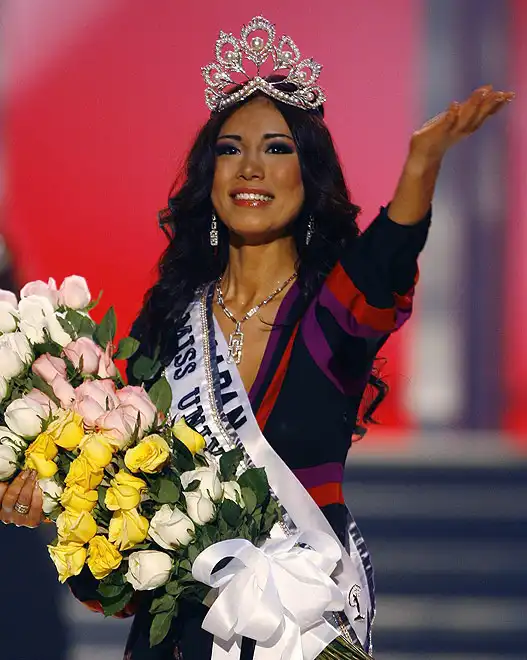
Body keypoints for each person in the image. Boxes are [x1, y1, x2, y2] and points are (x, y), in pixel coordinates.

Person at [0, 15, 513, 660]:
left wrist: (421, 165)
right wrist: (54, 504)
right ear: (209, 176)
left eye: (275, 149)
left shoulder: (329, 315)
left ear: (308, 176)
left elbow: (384, 262)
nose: (250, 168)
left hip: (300, 627)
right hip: (182, 632)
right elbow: (126, 517)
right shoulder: (166, 324)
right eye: (230, 150)